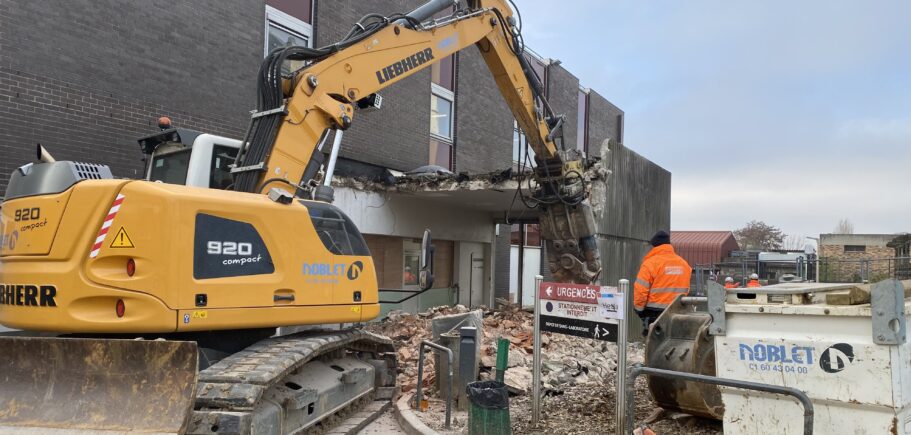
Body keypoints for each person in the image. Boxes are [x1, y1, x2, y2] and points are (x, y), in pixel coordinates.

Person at [634, 230, 692, 335]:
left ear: (654, 246)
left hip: (655, 313)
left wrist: (640, 311)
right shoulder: (684, 264)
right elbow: (687, 289)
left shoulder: (650, 264)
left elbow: (640, 291)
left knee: (655, 346)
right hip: (678, 311)